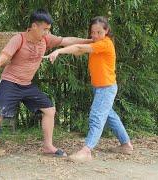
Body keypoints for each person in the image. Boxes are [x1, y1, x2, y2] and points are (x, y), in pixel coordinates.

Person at [0, 9, 92, 165]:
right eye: (45, 29)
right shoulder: (18, 39)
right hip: (10, 83)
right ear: (34, 26)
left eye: (49, 29)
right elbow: (1, 60)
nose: (47, 32)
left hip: (27, 85)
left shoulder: (45, 39)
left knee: (49, 110)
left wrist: (90, 41)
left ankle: (48, 146)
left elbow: (66, 40)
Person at [47, 16, 133, 161]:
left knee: (96, 117)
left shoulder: (105, 44)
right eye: (92, 32)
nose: (95, 36)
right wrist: (55, 41)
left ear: (106, 31)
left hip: (106, 88)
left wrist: (58, 52)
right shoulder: (96, 42)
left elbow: (79, 47)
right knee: (109, 116)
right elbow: (76, 42)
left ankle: (87, 150)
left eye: (99, 32)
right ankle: (126, 145)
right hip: (100, 87)